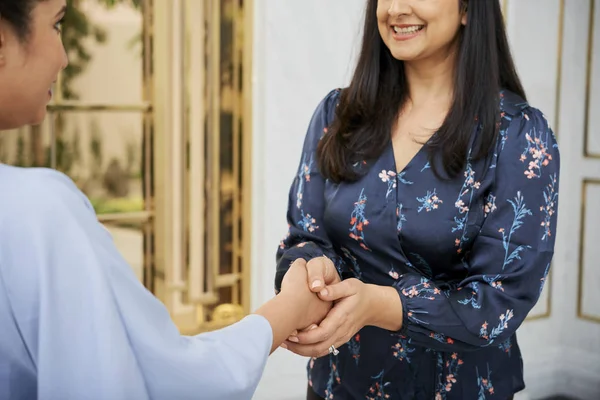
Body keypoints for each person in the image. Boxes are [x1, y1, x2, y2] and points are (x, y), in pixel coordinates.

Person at [0, 1, 331, 399]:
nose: (65, 56)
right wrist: (292, 307)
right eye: (56, 25)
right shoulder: (38, 210)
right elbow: (171, 379)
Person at [275, 0, 560, 399]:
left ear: (467, 9)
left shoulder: (517, 136)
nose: (395, 8)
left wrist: (378, 304)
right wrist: (309, 270)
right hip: (339, 385)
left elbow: (499, 301)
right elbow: (304, 236)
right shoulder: (338, 113)